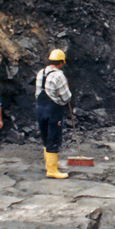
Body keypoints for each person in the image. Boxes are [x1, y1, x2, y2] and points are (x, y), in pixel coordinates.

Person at [35, 49, 72, 179]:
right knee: (54, 137)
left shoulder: (41, 73)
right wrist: (67, 87)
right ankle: (52, 170)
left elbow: (37, 92)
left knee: (45, 137)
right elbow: (66, 97)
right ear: (61, 62)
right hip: (53, 111)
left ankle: (48, 165)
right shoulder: (59, 76)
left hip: (40, 109)